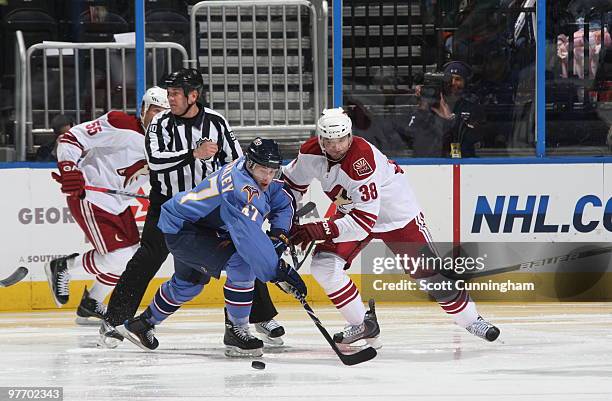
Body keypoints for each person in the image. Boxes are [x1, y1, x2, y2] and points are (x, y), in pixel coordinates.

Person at [284, 107, 500, 348]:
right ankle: (362, 325)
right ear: (320, 139)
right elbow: (290, 186)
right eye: (329, 141)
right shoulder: (309, 153)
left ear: (350, 136)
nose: (336, 147)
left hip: (396, 216)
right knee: (324, 266)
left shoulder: (361, 160)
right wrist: (286, 221)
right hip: (351, 210)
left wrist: (321, 229)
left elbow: (363, 222)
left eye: (342, 140)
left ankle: (471, 320)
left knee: (430, 277)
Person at [98, 68, 284, 348]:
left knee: (242, 251)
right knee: (148, 258)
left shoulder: (216, 123)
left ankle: (257, 318)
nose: (169, 99)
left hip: (208, 208)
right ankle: (115, 320)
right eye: (168, 93)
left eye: (175, 94)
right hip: (169, 206)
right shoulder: (160, 123)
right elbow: (157, 162)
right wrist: (193, 154)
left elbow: (236, 162)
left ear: (193, 95)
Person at [118, 138, 306, 357]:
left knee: (189, 283)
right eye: (262, 170)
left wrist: (279, 234)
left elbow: (282, 201)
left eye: (272, 171)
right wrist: (277, 271)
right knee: (242, 264)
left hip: (191, 223)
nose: (267, 177)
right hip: (185, 229)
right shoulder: (240, 189)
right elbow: (248, 239)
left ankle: (141, 325)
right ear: (250, 163)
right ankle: (237, 331)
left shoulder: (253, 171)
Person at [45, 86, 170, 325]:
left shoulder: (165, 142)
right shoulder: (120, 123)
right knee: (119, 257)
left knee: (131, 259)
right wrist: (70, 168)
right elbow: (71, 138)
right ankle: (64, 266)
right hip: (90, 195)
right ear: (143, 110)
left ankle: (91, 303)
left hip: (119, 203)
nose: (159, 117)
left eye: (165, 113)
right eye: (155, 111)